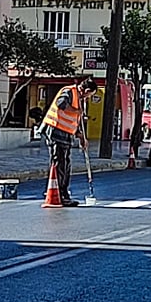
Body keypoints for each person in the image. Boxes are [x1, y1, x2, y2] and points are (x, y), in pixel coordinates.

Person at [40, 77, 98, 207]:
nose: (88, 98)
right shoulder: (69, 91)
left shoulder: (79, 99)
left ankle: (63, 193)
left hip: (65, 134)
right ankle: (59, 193)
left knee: (66, 164)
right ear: (86, 90)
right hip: (56, 130)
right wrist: (76, 111)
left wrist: (81, 137)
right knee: (60, 163)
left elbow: (73, 121)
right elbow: (61, 104)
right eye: (89, 95)